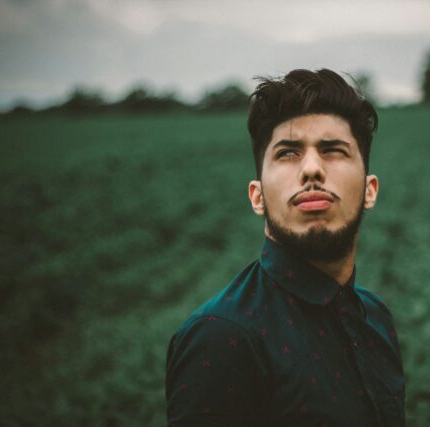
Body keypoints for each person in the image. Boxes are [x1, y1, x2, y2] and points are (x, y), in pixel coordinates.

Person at [166, 69, 405, 426]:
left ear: (370, 190)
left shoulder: (376, 318)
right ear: (257, 196)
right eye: (288, 153)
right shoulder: (222, 337)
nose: (312, 169)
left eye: (333, 150)